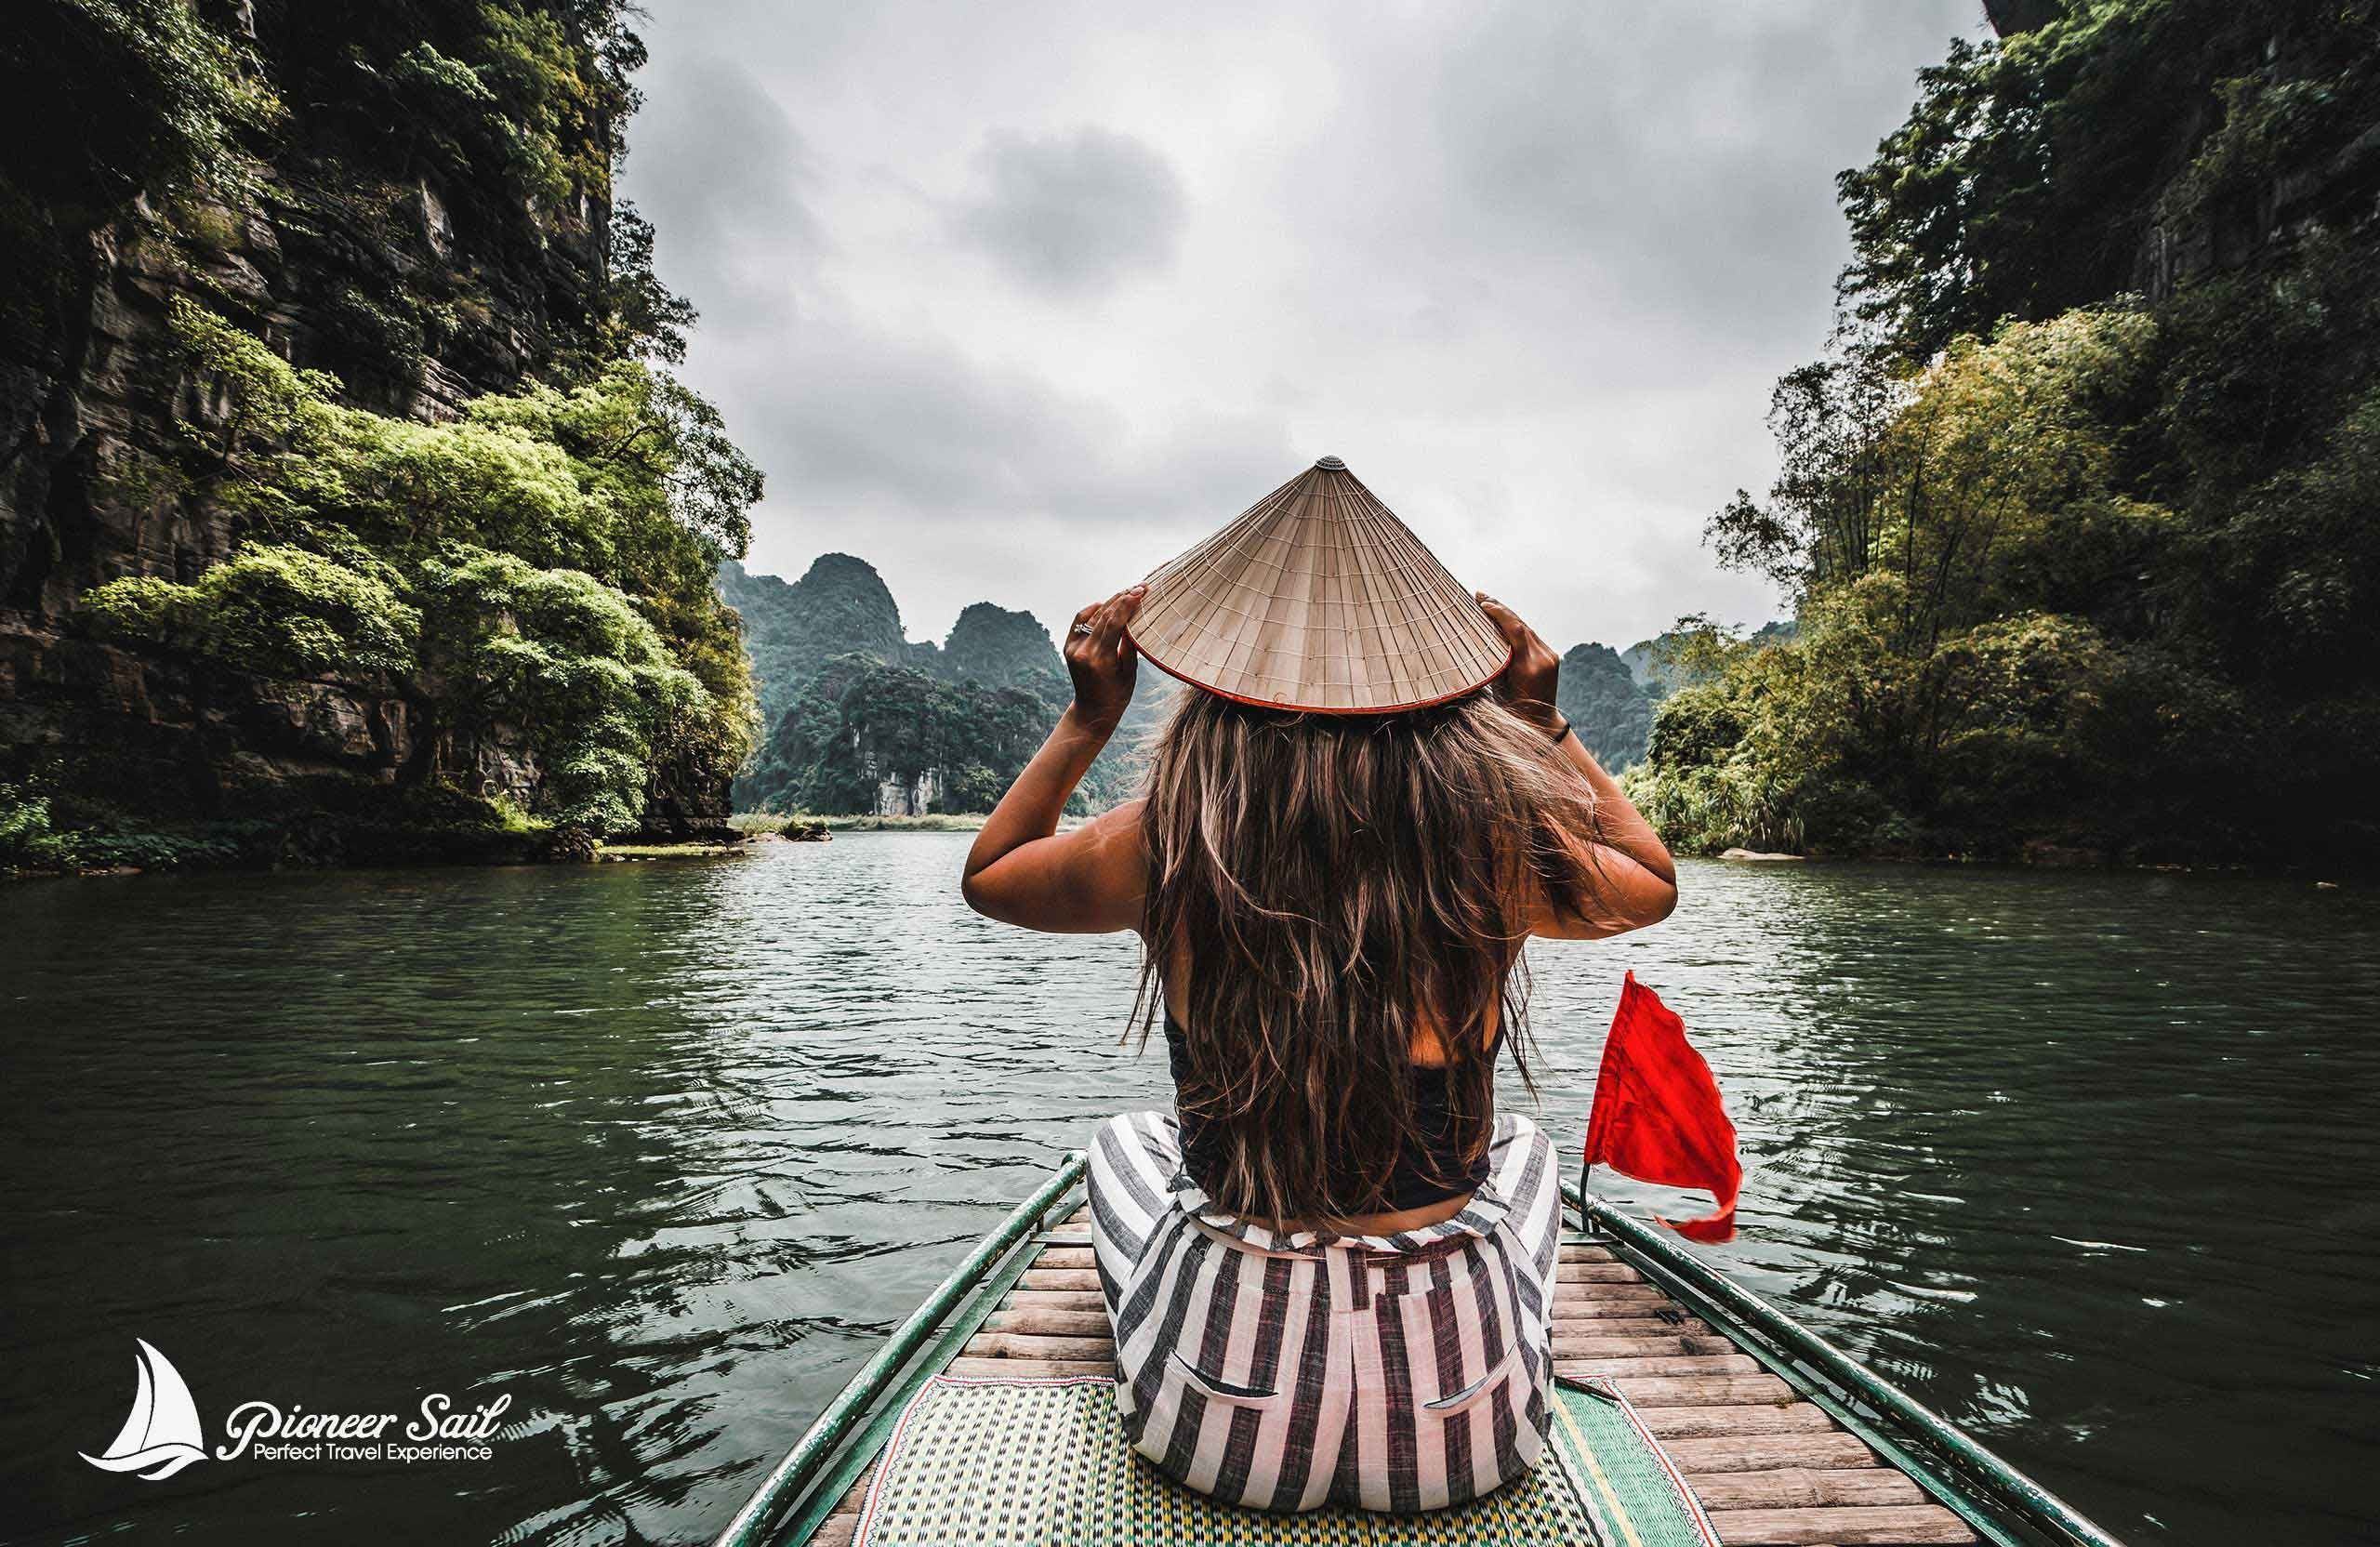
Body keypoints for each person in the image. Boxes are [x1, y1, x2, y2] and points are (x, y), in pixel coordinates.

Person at [959, 460, 1676, 1514]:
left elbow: (991, 875)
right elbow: (1651, 883)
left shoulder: (1170, 836)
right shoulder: (1496, 842)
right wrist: (1543, 725)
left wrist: (1087, 719)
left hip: (1216, 1430)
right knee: (1526, 1151)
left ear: (1224, 674)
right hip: (1466, 1431)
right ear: (1433, 678)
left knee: (1123, 1143)